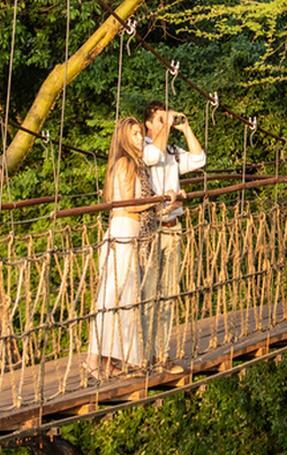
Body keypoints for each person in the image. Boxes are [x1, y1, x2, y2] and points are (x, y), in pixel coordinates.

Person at [86, 117, 182, 380]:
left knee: (123, 300)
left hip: (129, 233)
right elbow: (128, 204)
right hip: (123, 234)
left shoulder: (133, 164)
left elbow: (140, 205)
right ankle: (95, 362)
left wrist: (165, 203)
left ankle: (108, 361)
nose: (141, 139)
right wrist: (157, 200)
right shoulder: (126, 164)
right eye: (136, 135)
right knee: (113, 299)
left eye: (141, 133)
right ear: (125, 139)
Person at [139, 101, 207, 373]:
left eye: (164, 120)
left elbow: (200, 160)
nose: (163, 124)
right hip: (152, 229)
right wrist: (167, 126)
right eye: (158, 120)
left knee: (167, 294)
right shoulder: (142, 148)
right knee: (148, 295)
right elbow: (152, 159)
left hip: (173, 227)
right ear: (148, 124)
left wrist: (186, 127)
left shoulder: (172, 152)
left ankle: (162, 356)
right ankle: (143, 359)